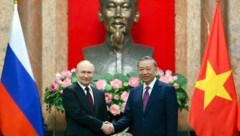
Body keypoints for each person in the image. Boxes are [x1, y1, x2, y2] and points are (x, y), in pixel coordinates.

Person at [102, 56, 178, 136]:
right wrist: (113, 127)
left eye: (148, 69)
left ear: (156, 70)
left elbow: (171, 121)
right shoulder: (134, 92)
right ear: (138, 71)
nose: (145, 72)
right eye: (141, 69)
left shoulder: (167, 90)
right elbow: (128, 117)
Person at [83, 0, 154, 74]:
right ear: (100, 14)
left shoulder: (146, 54)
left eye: (125, 7)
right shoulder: (89, 54)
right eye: (111, 7)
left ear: (136, 14)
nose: (117, 14)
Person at [62, 60, 109, 136]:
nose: (86, 76)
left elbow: (104, 117)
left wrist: (107, 126)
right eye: (83, 72)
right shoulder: (69, 91)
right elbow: (78, 114)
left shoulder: (99, 94)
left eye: (89, 72)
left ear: (93, 74)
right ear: (77, 73)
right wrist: (101, 125)